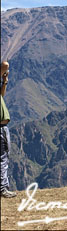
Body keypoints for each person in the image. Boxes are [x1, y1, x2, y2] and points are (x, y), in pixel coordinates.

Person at [0, 60, 15, 198]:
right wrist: (4, 70)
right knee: (3, 157)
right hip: (1, 128)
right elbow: (5, 63)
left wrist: (4, 82)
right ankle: (2, 188)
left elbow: (1, 96)